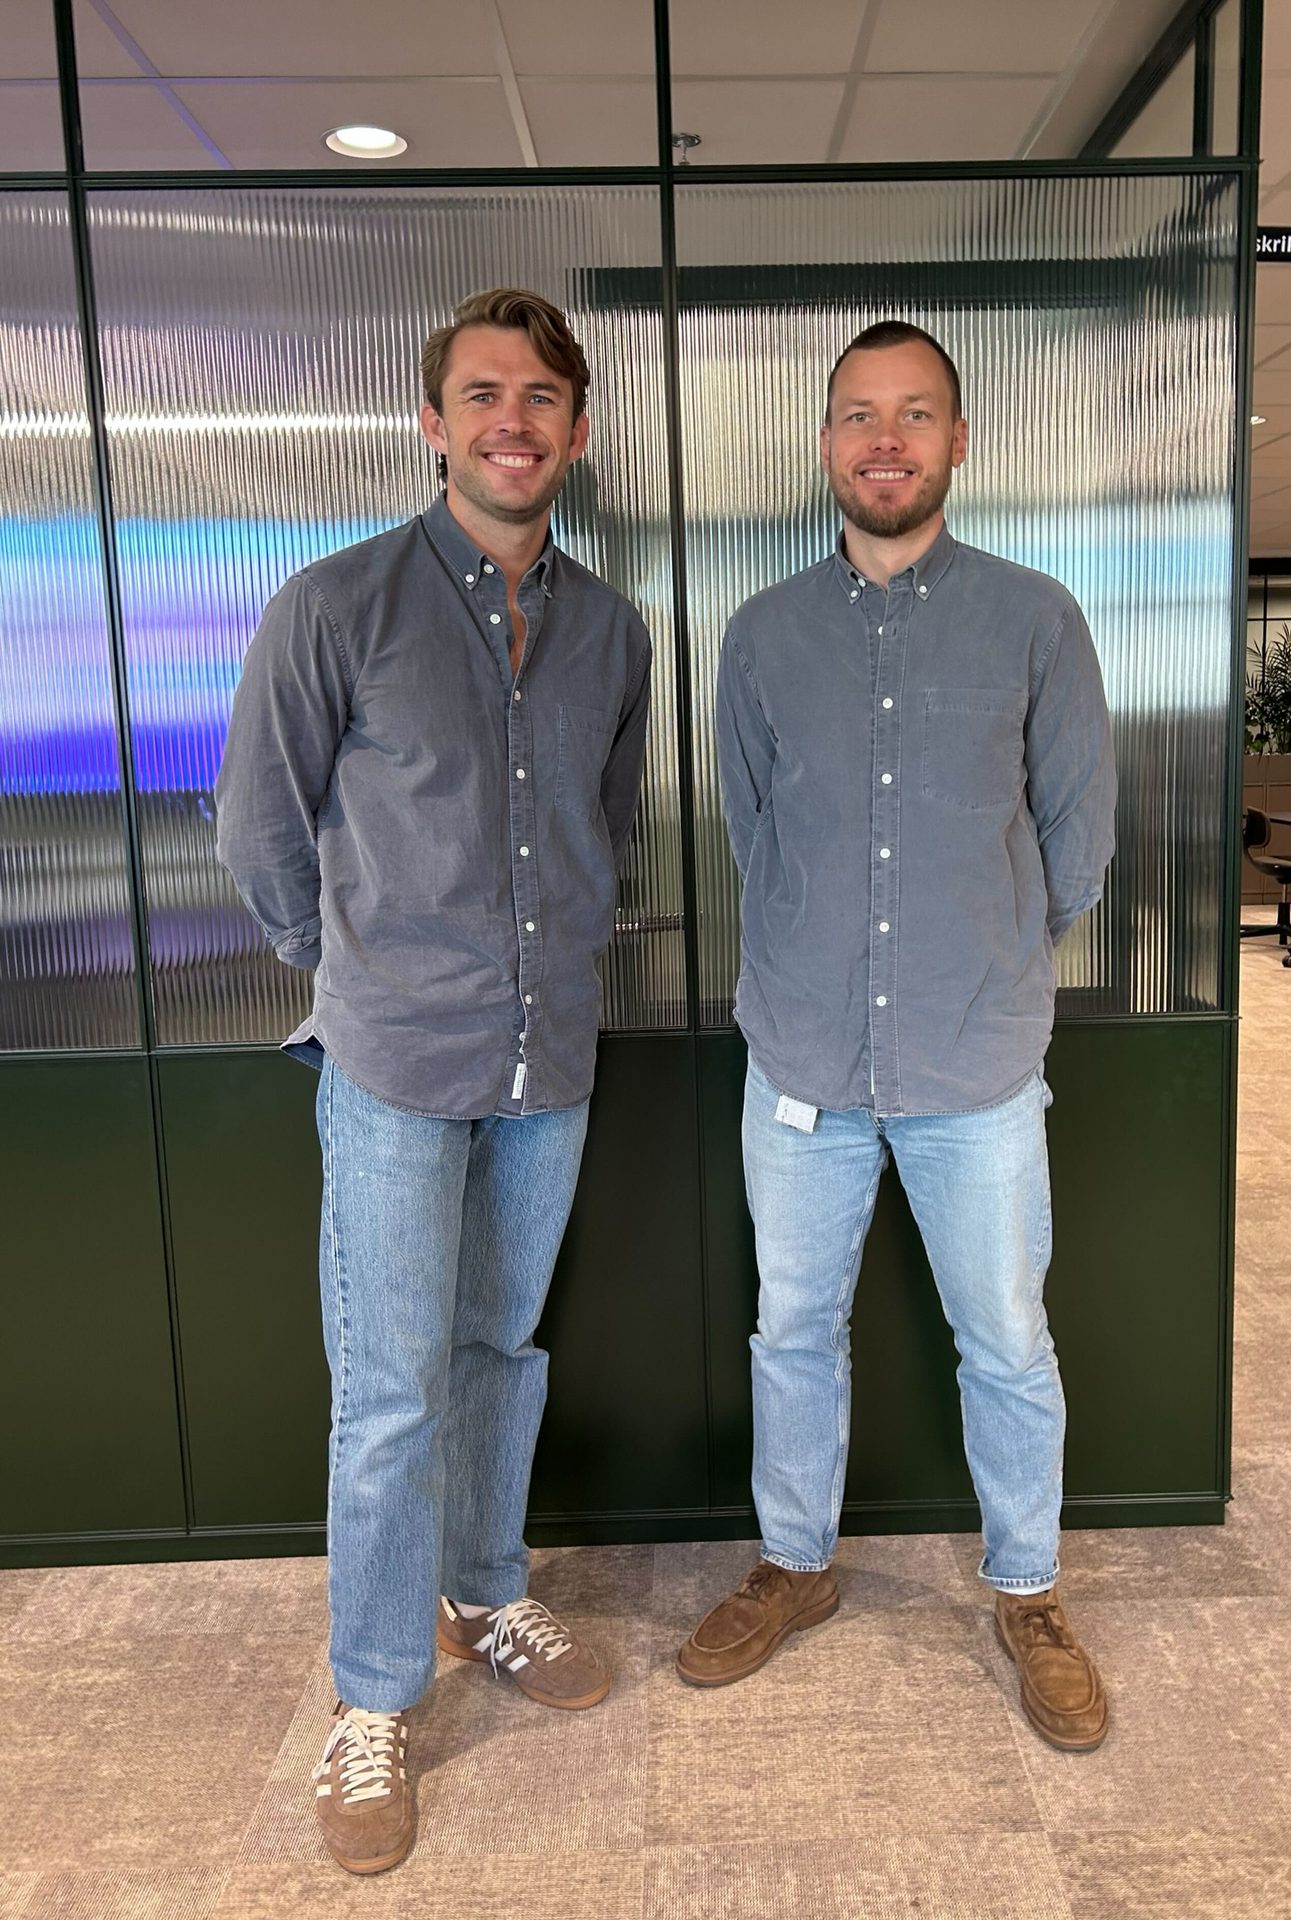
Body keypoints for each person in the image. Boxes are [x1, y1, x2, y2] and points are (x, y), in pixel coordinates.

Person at [216, 288, 651, 1874]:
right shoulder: (337, 605)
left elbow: (609, 816)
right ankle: (378, 1695)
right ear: (433, 419)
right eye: (482, 393)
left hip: (550, 1055)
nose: (512, 421)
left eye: (541, 396)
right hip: (396, 1058)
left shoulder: (612, 627)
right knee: (391, 1389)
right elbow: (258, 821)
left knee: (500, 1349)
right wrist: (344, 970)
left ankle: (486, 1592)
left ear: (576, 431)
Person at [678, 321, 1117, 1754]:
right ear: (825, 443)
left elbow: (1077, 848)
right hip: (803, 1058)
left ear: (959, 441)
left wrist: (976, 958)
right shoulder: (763, 634)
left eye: (915, 414)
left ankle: (1030, 1592)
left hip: (974, 1063)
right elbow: (755, 829)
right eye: (860, 415)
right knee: (791, 1328)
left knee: (1005, 1338)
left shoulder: (1037, 620)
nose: (886, 439)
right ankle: (796, 1566)